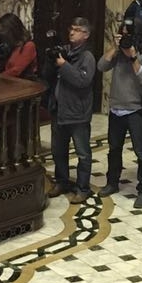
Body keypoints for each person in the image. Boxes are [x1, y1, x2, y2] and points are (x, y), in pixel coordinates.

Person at [98, 17, 142, 208]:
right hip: (116, 108)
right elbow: (101, 66)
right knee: (114, 149)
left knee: (141, 153)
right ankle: (112, 182)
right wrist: (115, 48)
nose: (125, 37)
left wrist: (133, 57)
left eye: (128, 34)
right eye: (122, 33)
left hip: (136, 110)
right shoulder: (117, 53)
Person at [50, 17, 97, 202]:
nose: (71, 32)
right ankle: (61, 181)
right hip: (60, 110)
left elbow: (82, 80)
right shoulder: (64, 51)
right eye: (71, 28)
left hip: (78, 113)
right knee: (58, 150)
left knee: (83, 153)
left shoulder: (87, 57)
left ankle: (83, 188)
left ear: (86, 35)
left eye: (77, 30)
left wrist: (64, 66)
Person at [0, 11, 38, 77]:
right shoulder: (11, 47)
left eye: (3, 29)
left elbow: (16, 70)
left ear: (12, 30)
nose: (1, 33)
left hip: (24, 85)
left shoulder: (28, 46)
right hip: (10, 83)